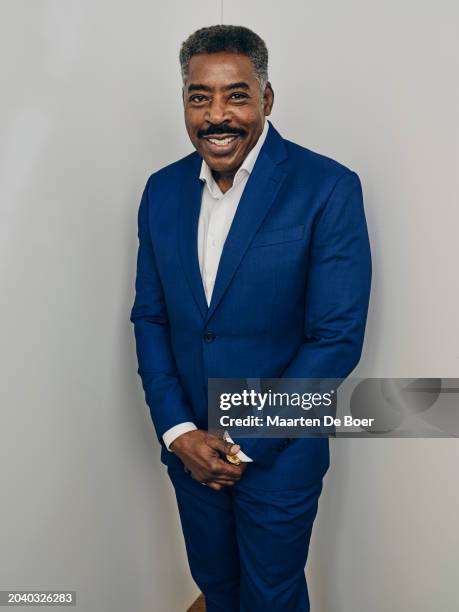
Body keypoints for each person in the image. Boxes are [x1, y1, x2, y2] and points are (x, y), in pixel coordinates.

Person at [130, 24, 371, 612]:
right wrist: (179, 432)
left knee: (272, 596)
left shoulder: (328, 187)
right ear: (184, 101)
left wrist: (240, 443)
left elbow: (335, 338)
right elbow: (150, 318)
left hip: (279, 452)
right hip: (189, 448)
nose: (217, 115)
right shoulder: (160, 191)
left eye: (236, 95)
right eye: (199, 96)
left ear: (266, 98)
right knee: (217, 586)